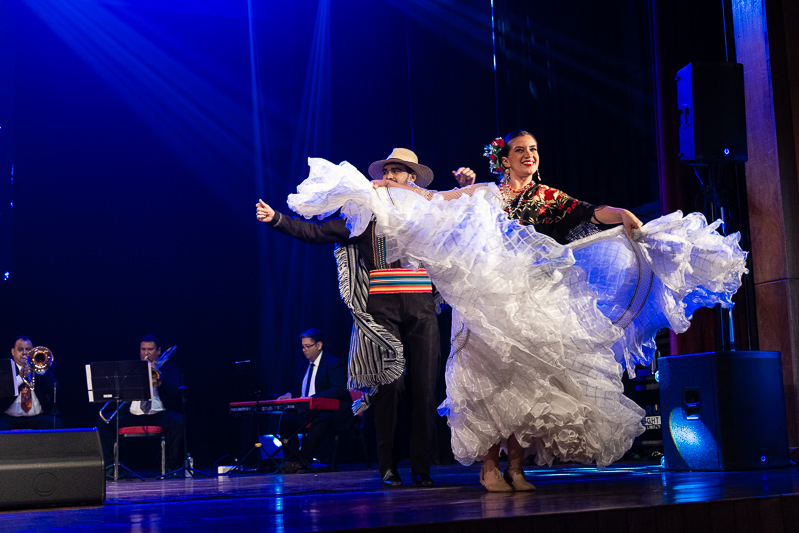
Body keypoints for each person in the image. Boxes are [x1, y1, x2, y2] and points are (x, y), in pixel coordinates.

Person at [283, 131, 748, 492]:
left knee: (529, 378)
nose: (530, 156)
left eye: (534, 150)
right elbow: (432, 201)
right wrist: (391, 190)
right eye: (521, 150)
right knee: (490, 378)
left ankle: (517, 463)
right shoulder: (486, 192)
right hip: (485, 297)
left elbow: (589, 209)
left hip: (528, 298)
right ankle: (489, 465)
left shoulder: (546, 198)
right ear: (504, 158)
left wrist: (623, 212)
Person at [256, 148, 441, 488]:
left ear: (411, 177)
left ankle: (422, 467)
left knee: (425, 391)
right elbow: (318, 232)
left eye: (398, 170)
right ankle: (388, 466)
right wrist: (278, 220)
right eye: (387, 169)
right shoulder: (365, 215)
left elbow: (460, 238)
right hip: (380, 313)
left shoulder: (429, 214)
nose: (390, 175)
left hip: (422, 311)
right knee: (389, 388)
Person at [96, 334, 185, 474]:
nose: (146, 353)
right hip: (132, 414)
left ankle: (170, 468)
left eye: (150, 349)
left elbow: (175, 392)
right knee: (103, 421)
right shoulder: (131, 368)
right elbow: (118, 393)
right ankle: (111, 468)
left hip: (159, 414)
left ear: (159, 351)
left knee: (179, 421)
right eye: (143, 349)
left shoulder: (170, 368)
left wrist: (161, 379)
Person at [275, 328, 352, 473]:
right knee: (285, 421)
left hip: (330, 412)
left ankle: (303, 460)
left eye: (308, 346)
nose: (304, 350)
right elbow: (297, 389)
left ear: (319, 345)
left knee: (320, 420)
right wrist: (289, 394)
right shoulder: (303, 365)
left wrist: (313, 398)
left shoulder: (334, 364)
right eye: (302, 347)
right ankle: (292, 459)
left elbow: (339, 390)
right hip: (307, 411)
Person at [0, 336, 61, 430]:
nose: (24, 353)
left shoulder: (42, 368)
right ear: (13, 352)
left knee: (55, 423)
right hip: (10, 418)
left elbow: (55, 389)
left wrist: (41, 372)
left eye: (28, 349)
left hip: (36, 418)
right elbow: (3, 392)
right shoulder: (5, 369)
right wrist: (20, 377)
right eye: (20, 349)